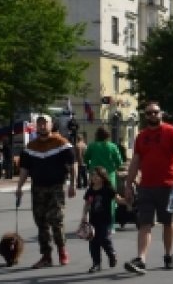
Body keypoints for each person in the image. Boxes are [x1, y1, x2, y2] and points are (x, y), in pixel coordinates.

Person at [121, 102, 173, 274]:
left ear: (161, 113)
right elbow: (135, 161)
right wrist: (128, 184)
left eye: (155, 112)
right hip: (146, 187)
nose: (152, 115)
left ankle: (168, 255)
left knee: (168, 222)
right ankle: (141, 259)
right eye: (149, 113)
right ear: (145, 115)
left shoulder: (172, 132)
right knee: (144, 223)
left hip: (169, 186)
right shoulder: (141, 136)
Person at [15, 115, 78, 268]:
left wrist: (73, 184)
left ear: (51, 125)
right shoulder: (31, 147)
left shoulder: (62, 144)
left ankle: (62, 250)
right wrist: (19, 187)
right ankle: (46, 255)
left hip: (56, 186)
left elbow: (72, 164)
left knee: (56, 219)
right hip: (38, 188)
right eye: (40, 124)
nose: (42, 126)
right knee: (41, 221)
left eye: (45, 123)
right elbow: (25, 169)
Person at [79, 165, 120, 273]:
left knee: (104, 239)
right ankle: (96, 264)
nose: (95, 178)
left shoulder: (108, 189)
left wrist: (128, 202)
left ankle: (112, 254)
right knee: (93, 242)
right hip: (93, 220)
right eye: (93, 176)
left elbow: (118, 199)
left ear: (103, 177)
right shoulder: (90, 190)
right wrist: (84, 216)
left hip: (105, 220)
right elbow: (87, 204)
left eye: (97, 176)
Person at [84, 126, 124, 191]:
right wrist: (115, 168)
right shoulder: (113, 146)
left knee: (94, 196)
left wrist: (90, 166)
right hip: (109, 175)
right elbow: (119, 162)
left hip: (95, 176)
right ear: (107, 135)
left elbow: (85, 159)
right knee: (110, 197)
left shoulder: (92, 146)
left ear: (97, 135)